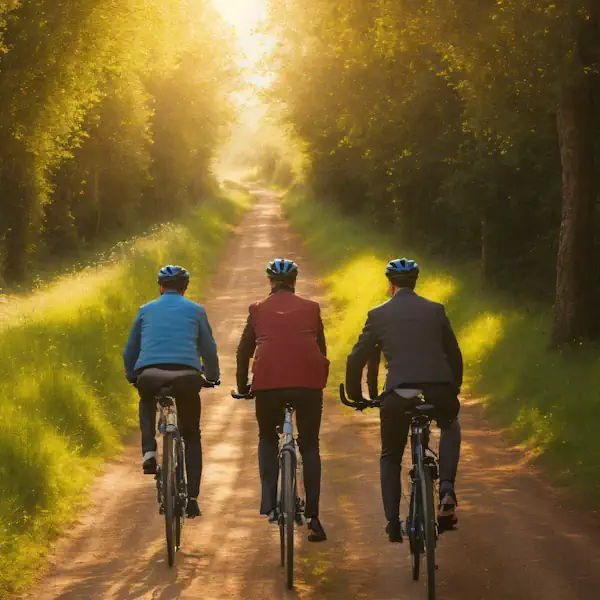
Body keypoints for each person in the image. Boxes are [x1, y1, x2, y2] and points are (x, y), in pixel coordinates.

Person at [345, 258, 462, 542]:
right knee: (449, 424)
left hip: (399, 393)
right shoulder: (435, 310)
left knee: (391, 455)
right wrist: (452, 389)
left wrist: (355, 395)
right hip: (437, 389)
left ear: (391, 285)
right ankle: (446, 489)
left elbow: (356, 358)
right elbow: (454, 354)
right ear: (415, 283)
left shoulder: (378, 315)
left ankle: (392, 522)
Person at [236, 258, 329, 542]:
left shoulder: (257, 310)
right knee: (310, 444)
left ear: (270, 283)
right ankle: (313, 517)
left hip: (268, 384)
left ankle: (268, 502)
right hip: (308, 385)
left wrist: (244, 387)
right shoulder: (312, 309)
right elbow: (321, 350)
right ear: (295, 282)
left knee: (267, 437)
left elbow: (243, 352)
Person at [123, 265, 220, 518]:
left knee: (146, 400)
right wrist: (212, 377)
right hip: (187, 378)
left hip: (150, 375)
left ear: (160, 286)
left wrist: (133, 376)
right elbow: (208, 349)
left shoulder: (145, 310)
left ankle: (149, 452)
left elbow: (129, 352)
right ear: (185, 288)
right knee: (191, 435)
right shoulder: (196, 311)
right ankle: (193, 498)